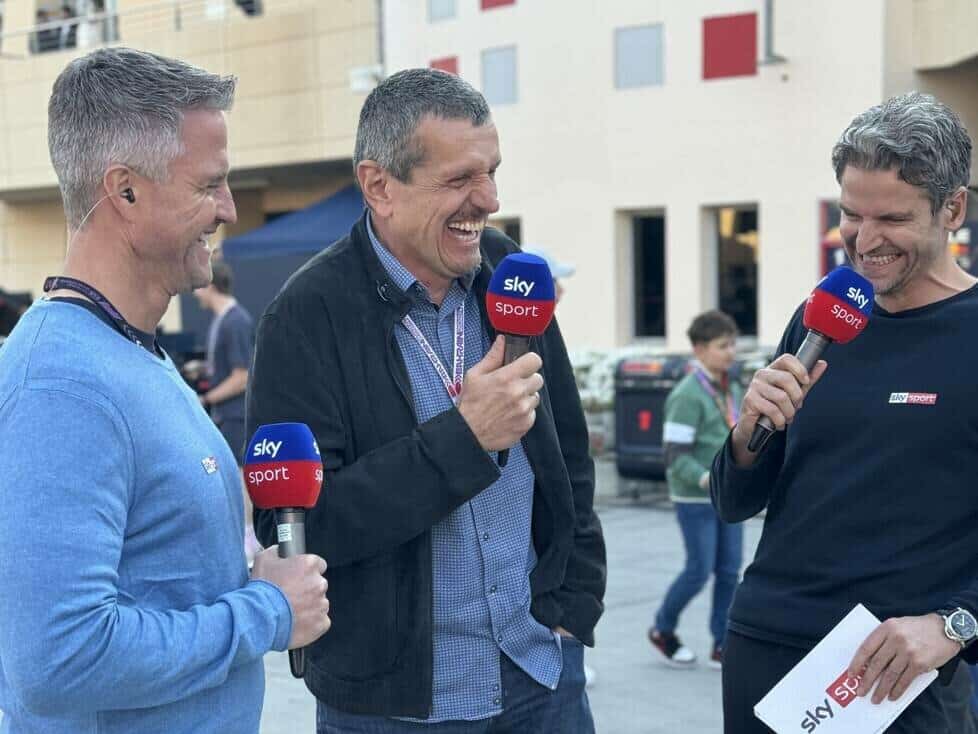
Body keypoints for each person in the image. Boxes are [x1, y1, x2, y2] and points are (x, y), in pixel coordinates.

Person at [246, 67, 606, 733]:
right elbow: (298, 528)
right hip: (392, 707)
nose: (489, 199)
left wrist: (574, 604)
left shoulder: (509, 273)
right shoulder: (306, 315)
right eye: (460, 179)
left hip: (541, 674)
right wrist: (463, 439)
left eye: (492, 172)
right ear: (379, 186)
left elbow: (569, 455)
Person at [0, 47, 331, 733]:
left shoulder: (129, 352)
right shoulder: (63, 386)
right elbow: (57, 658)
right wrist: (267, 612)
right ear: (125, 192)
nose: (228, 209)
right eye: (209, 186)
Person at [712, 91, 978, 732]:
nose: (864, 239)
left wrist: (953, 626)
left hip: (894, 676)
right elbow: (733, 500)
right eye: (851, 214)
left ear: (953, 209)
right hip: (765, 648)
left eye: (892, 218)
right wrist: (748, 434)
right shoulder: (819, 319)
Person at [649, 310, 743, 670]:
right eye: (723, 346)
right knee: (699, 570)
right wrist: (707, 478)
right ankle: (662, 629)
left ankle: (722, 642)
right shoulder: (687, 394)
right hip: (696, 497)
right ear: (699, 349)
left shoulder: (731, 386)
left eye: (733, 344)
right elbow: (675, 455)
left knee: (730, 571)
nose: (731, 352)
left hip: (727, 496)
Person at [194, 259, 261, 560]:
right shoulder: (223, 321)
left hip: (234, 415)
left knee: (240, 477)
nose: (195, 292)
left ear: (211, 284)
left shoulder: (235, 322)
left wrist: (207, 398)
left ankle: (250, 538)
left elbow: (242, 376)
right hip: (226, 415)